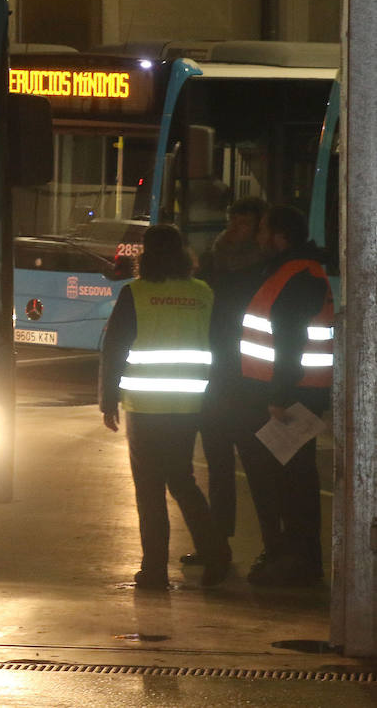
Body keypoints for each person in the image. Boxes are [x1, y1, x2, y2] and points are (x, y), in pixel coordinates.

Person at [100, 224, 229, 589]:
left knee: (149, 488)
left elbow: (114, 350)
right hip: (189, 404)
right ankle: (216, 553)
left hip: (145, 406)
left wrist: (108, 400)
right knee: (183, 481)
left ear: (146, 255)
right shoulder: (203, 293)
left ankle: (154, 569)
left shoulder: (135, 293)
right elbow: (220, 345)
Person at [233, 204, 334, 586]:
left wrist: (278, 395)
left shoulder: (297, 275)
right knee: (291, 479)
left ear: (280, 237)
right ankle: (297, 559)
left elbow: (290, 341)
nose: (259, 239)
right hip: (296, 392)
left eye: (263, 232)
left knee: (294, 482)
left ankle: (301, 563)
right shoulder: (293, 271)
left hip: (293, 397)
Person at [182, 196, 269, 566]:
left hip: (250, 380)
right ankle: (217, 543)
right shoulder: (213, 262)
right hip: (215, 377)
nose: (236, 230)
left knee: (258, 466)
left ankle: (274, 548)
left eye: (245, 224)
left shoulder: (265, 269)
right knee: (217, 464)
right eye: (233, 222)